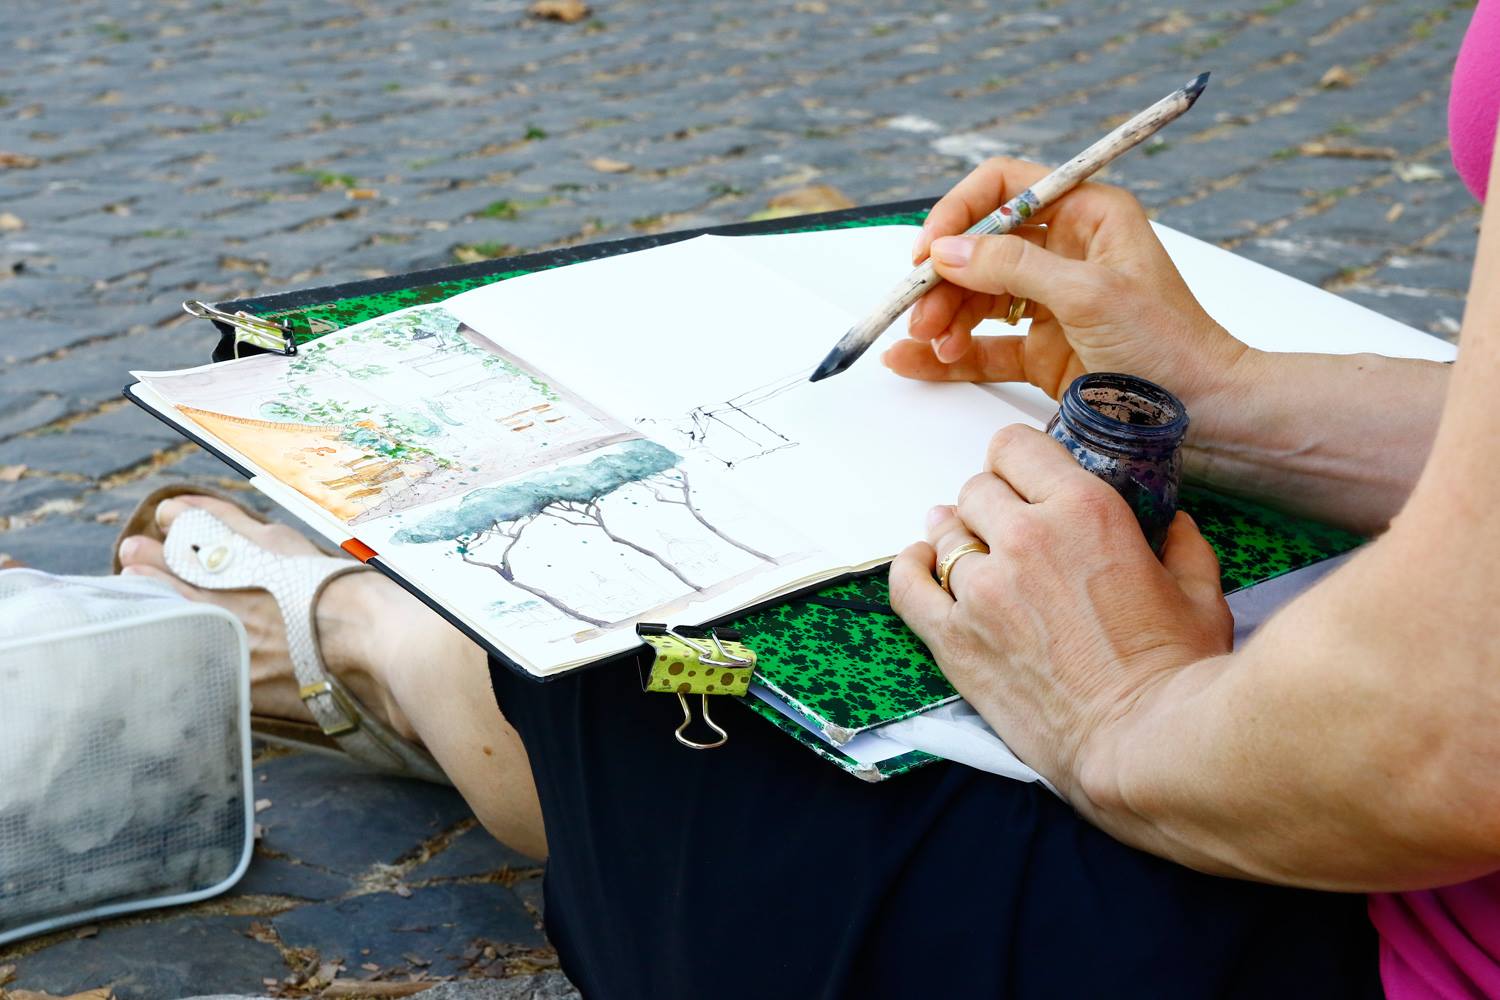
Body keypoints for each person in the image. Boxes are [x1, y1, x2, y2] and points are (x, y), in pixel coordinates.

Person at [114, 4, 1497, 995]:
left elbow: (1445, 739)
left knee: (648, 684)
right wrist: (1230, 392)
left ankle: (358, 631)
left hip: (1359, 932)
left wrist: (1128, 712)